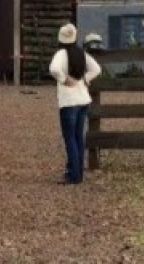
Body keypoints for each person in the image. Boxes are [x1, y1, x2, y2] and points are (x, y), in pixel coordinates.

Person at [49, 24, 102, 185]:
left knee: (70, 138)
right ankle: (78, 174)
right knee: (79, 137)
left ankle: (73, 174)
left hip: (69, 101)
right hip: (83, 99)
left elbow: (54, 69)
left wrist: (64, 79)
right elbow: (97, 69)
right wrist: (85, 79)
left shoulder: (61, 54)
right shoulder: (81, 54)